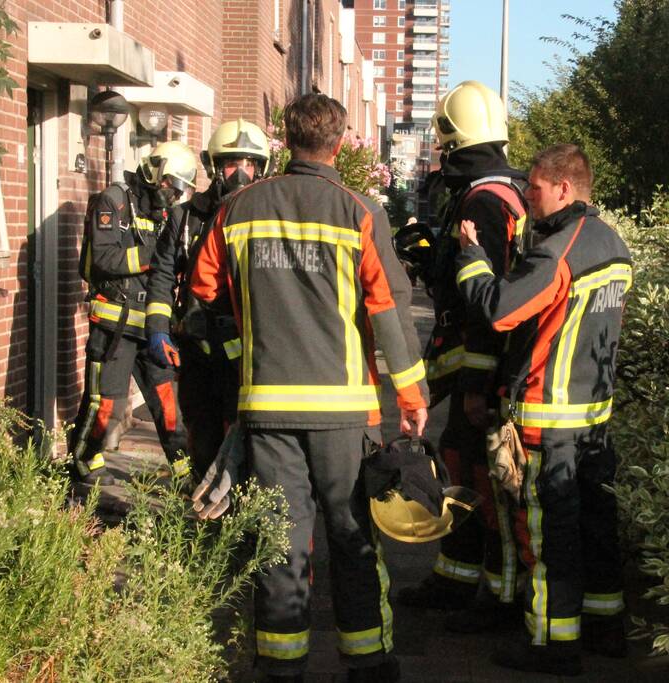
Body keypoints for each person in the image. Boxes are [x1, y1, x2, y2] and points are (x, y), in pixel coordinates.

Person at [189, 93, 428, 683]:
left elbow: (203, 290)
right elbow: (388, 310)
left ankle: (280, 665)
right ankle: (367, 664)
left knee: (280, 541)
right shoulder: (359, 211)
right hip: (345, 414)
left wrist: (251, 322)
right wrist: (412, 398)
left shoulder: (236, 209)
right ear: (339, 144)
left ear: (285, 141)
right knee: (352, 537)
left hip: (267, 410)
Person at [455, 144, 632, 676]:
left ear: (564, 188)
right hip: (593, 423)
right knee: (597, 527)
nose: (526, 197)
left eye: (534, 187)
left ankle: (553, 644)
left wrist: (472, 258)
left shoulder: (557, 251)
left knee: (547, 537)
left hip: (546, 424)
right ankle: (606, 626)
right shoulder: (612, 244)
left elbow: (499, 310)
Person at [398, 80, 528, 633]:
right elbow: (464, 279)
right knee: (460, 465)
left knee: (484, 482)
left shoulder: (485, 201)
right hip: (480, 365)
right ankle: (455, 579)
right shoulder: (499, 192)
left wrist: (477, 387)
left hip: (485, 370)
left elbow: (488, 302)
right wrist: (432, 258)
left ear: (454, 143)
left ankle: (499, 599)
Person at [144, 119, 270, 477]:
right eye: (231, 163)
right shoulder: (185, 218)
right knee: (201, 434)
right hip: (198, 345)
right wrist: (158, 327)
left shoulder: (267, 219)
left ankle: (241, 508)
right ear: (215, 166)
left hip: (247, 351)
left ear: (261, 169)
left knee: (247, 439)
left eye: (249, 164)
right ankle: (202, 499)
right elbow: (162, 274)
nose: (240, 173)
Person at [68, 140, 196, 486]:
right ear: (155, 172)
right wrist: (157, 254)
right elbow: (103, 258)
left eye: (179, 190)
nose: (173, 194)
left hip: (152, 326)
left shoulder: (166, 213)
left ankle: (186, 471)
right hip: (115, 324)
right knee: (105, 404)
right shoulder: (114, 200)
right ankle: (83, 461)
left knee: (168, 402)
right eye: (170, 184)